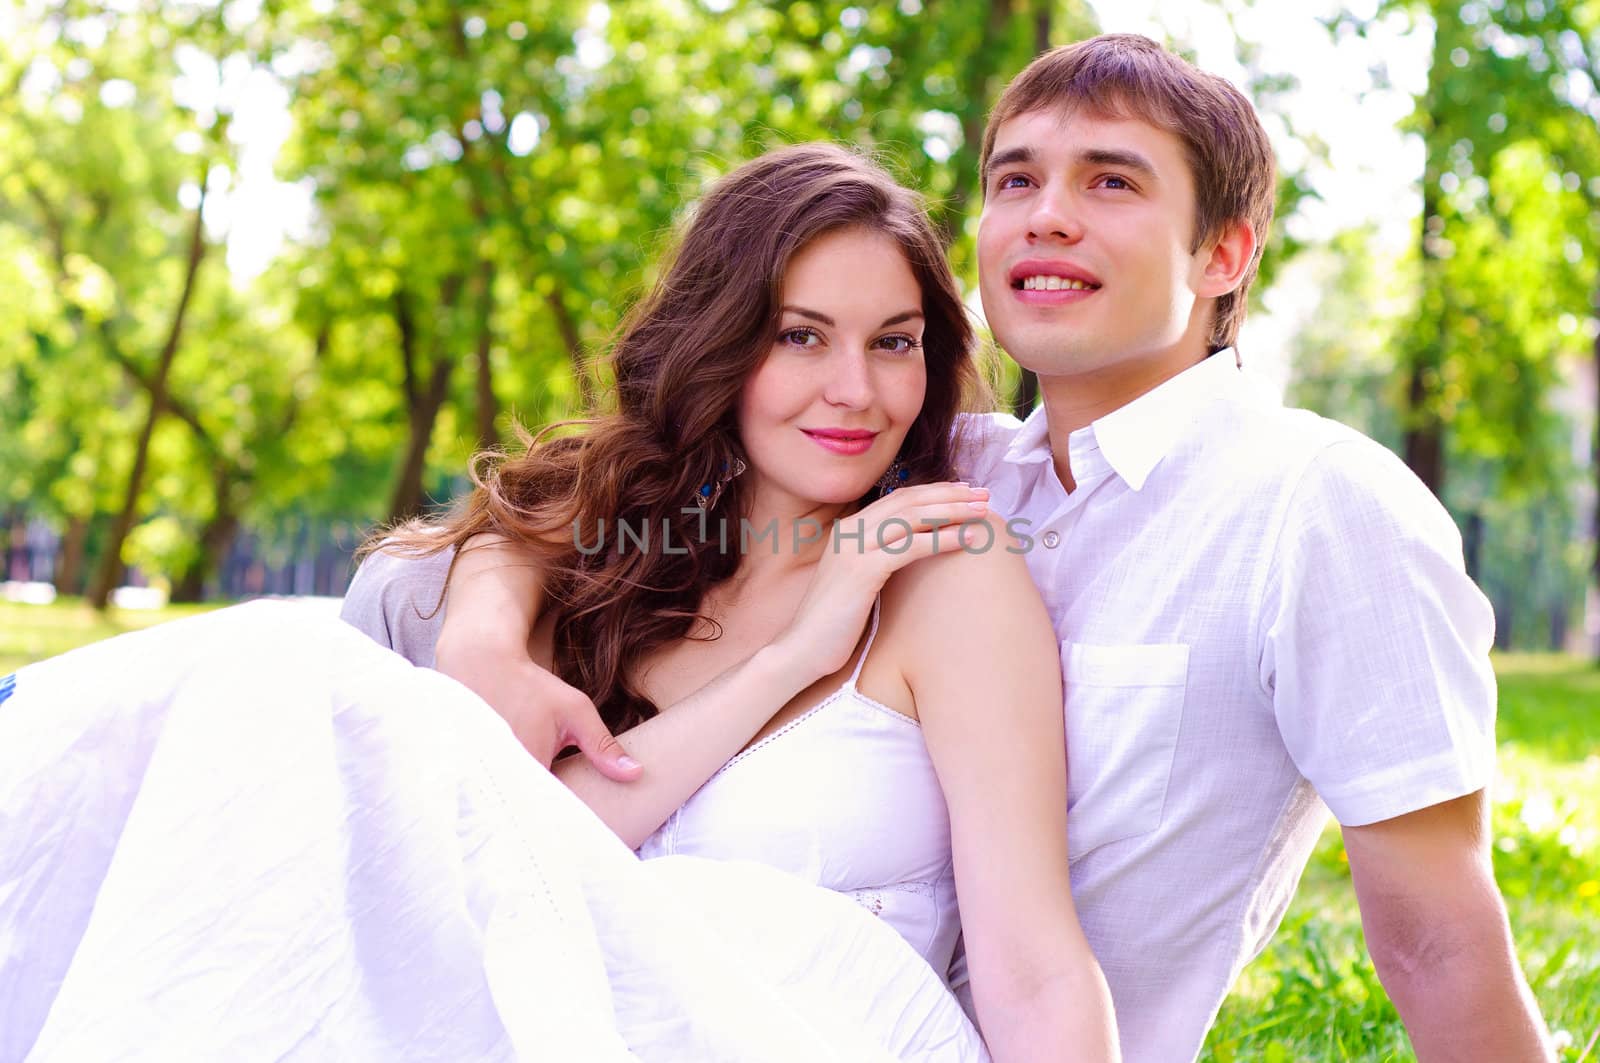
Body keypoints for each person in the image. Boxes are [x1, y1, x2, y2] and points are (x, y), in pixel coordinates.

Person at [440, 35, 1553, 1063]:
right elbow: (585, 495)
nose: (1045, 216)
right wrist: (487, 636)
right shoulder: (939, 465)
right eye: (1015, 179)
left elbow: (1435, 937)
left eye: (1110, 180)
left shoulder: (1318, 507)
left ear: (1224, 251)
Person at [341, 141, 1117, 1061]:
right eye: (801, 335)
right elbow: (526, 867)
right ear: (720, 338)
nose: (855, 392)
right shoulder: (617, 560)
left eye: (893, 342)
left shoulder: (950, 577)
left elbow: (1035, 967)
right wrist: (792, 656)